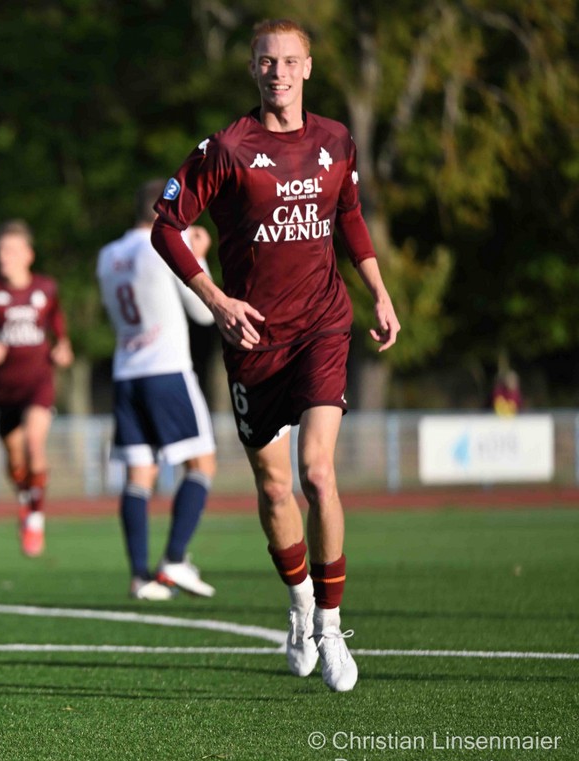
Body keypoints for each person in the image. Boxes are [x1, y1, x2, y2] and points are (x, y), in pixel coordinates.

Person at [151, 19, 401, 692]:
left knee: (317, 473)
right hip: (255, 338)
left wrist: (379, 292)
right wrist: (216, 301)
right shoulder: (227, 148)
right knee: (273, 486)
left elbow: (349, 216)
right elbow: (166, 227)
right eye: (267, 61)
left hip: (324, 324)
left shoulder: (336, 140)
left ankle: (331, 625)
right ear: (253, 69)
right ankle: (298, 605)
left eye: (290, 61)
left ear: (308, 68)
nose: (279, 72)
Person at [97, 182, 219, 601]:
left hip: (126, 372)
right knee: (201, 464)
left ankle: (139, 577)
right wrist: (198, 255)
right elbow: (204, 312)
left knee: (139, 475)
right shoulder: (166, 243)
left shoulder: (108, 255)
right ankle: (175, 559)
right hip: (166, 370)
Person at [0, 220, 72, 557]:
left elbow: (57, 324)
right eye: (0, 251)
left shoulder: (46, 288)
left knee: (35, 444)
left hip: (38, 382)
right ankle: (24, 497)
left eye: (11, 250)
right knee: (16, 459)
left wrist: (63, 345)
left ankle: (35, 519)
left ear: (28, 255)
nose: (4, 257)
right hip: (4, 388)